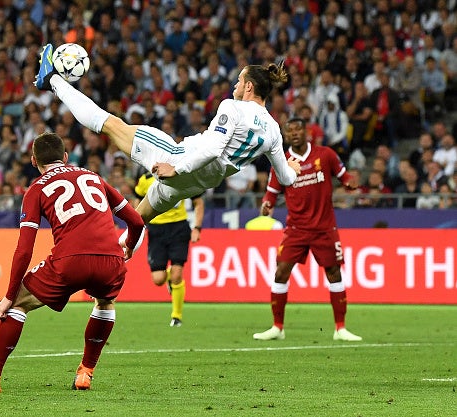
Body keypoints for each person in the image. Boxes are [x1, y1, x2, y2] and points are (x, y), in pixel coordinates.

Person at [35, 44, 301, 228]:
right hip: (193, 186)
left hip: (177, 160)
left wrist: (176, 167)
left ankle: (52, 80)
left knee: (111, 125)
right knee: (136, 223)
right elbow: (286, 178)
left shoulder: (232, 107)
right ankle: (113, 263)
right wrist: (293, 168)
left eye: (240, 81)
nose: (235, 85)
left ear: (249, 87)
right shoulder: (273, 129)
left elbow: (212, 150)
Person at [0, 132, 145, 394]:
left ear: (33, 160)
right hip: (111, 260)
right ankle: (85, 373)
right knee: (105, 302)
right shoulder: (94, 177)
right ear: (65, 157)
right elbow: (137, 222)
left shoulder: (36, 189)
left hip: (69, 261)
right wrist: (128, 246)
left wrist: (9, 295)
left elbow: (24, 249)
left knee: (17, 305)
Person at [253, 117, 362, 342]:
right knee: (281, 271)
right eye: (290, 130)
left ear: (307, 132)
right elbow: (272, 192)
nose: (294, 133)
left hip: (324, 227)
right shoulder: (282, 161)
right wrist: (267, 204)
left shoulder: (326, 155)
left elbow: (344, 176)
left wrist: (351, 181)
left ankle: (340, 328)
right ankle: (277, 327)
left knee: (334, 273)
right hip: (296, 228)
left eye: (298, 129)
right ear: (285, 135)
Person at [134, 171, 205, 327]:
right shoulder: (145, 180)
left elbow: (198, 202)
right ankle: (170, 279)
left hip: (178, 227)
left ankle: (176, 316)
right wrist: (139, 227)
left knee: (177, 274)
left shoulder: (181, 175)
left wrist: (197, 227)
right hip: (156, 230)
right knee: (158, 279)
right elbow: (137, 202)